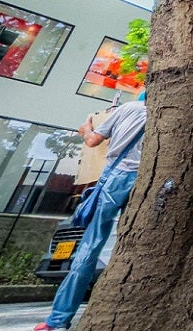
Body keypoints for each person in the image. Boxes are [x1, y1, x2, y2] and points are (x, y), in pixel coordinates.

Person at [35, 91, 147, 331]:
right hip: (146, 181)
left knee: (90, 246)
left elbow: (93, 141)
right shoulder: (166, 114)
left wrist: (86, 126)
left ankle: (57, 321)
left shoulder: (126, 109)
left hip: (115, 179)